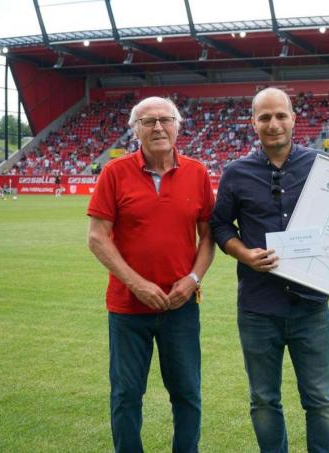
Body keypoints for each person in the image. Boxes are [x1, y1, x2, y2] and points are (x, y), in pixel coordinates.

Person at [210, 87, 329, 453]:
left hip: (310, 307)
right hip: (258, 307)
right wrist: (244, 254)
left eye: (280, 115)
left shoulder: (322, 167)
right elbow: (219, 225)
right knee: (263, 400)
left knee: (321, 402)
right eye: (265, 117)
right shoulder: (236, 173)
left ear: (294, 118)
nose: (273, 124)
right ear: (253, 123)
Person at [86, 96, 215, 453]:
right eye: (148, 121)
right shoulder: (115, 172)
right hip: (127, 309)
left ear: (177, 126)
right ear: (135, 130)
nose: (158, 127)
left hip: (181, 308)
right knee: (126, 394)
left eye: (165, 119)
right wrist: (137, 284)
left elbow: (209, 237)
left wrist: (193, 280)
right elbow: (97, 237)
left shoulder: (198, 172)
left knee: (187, 392)